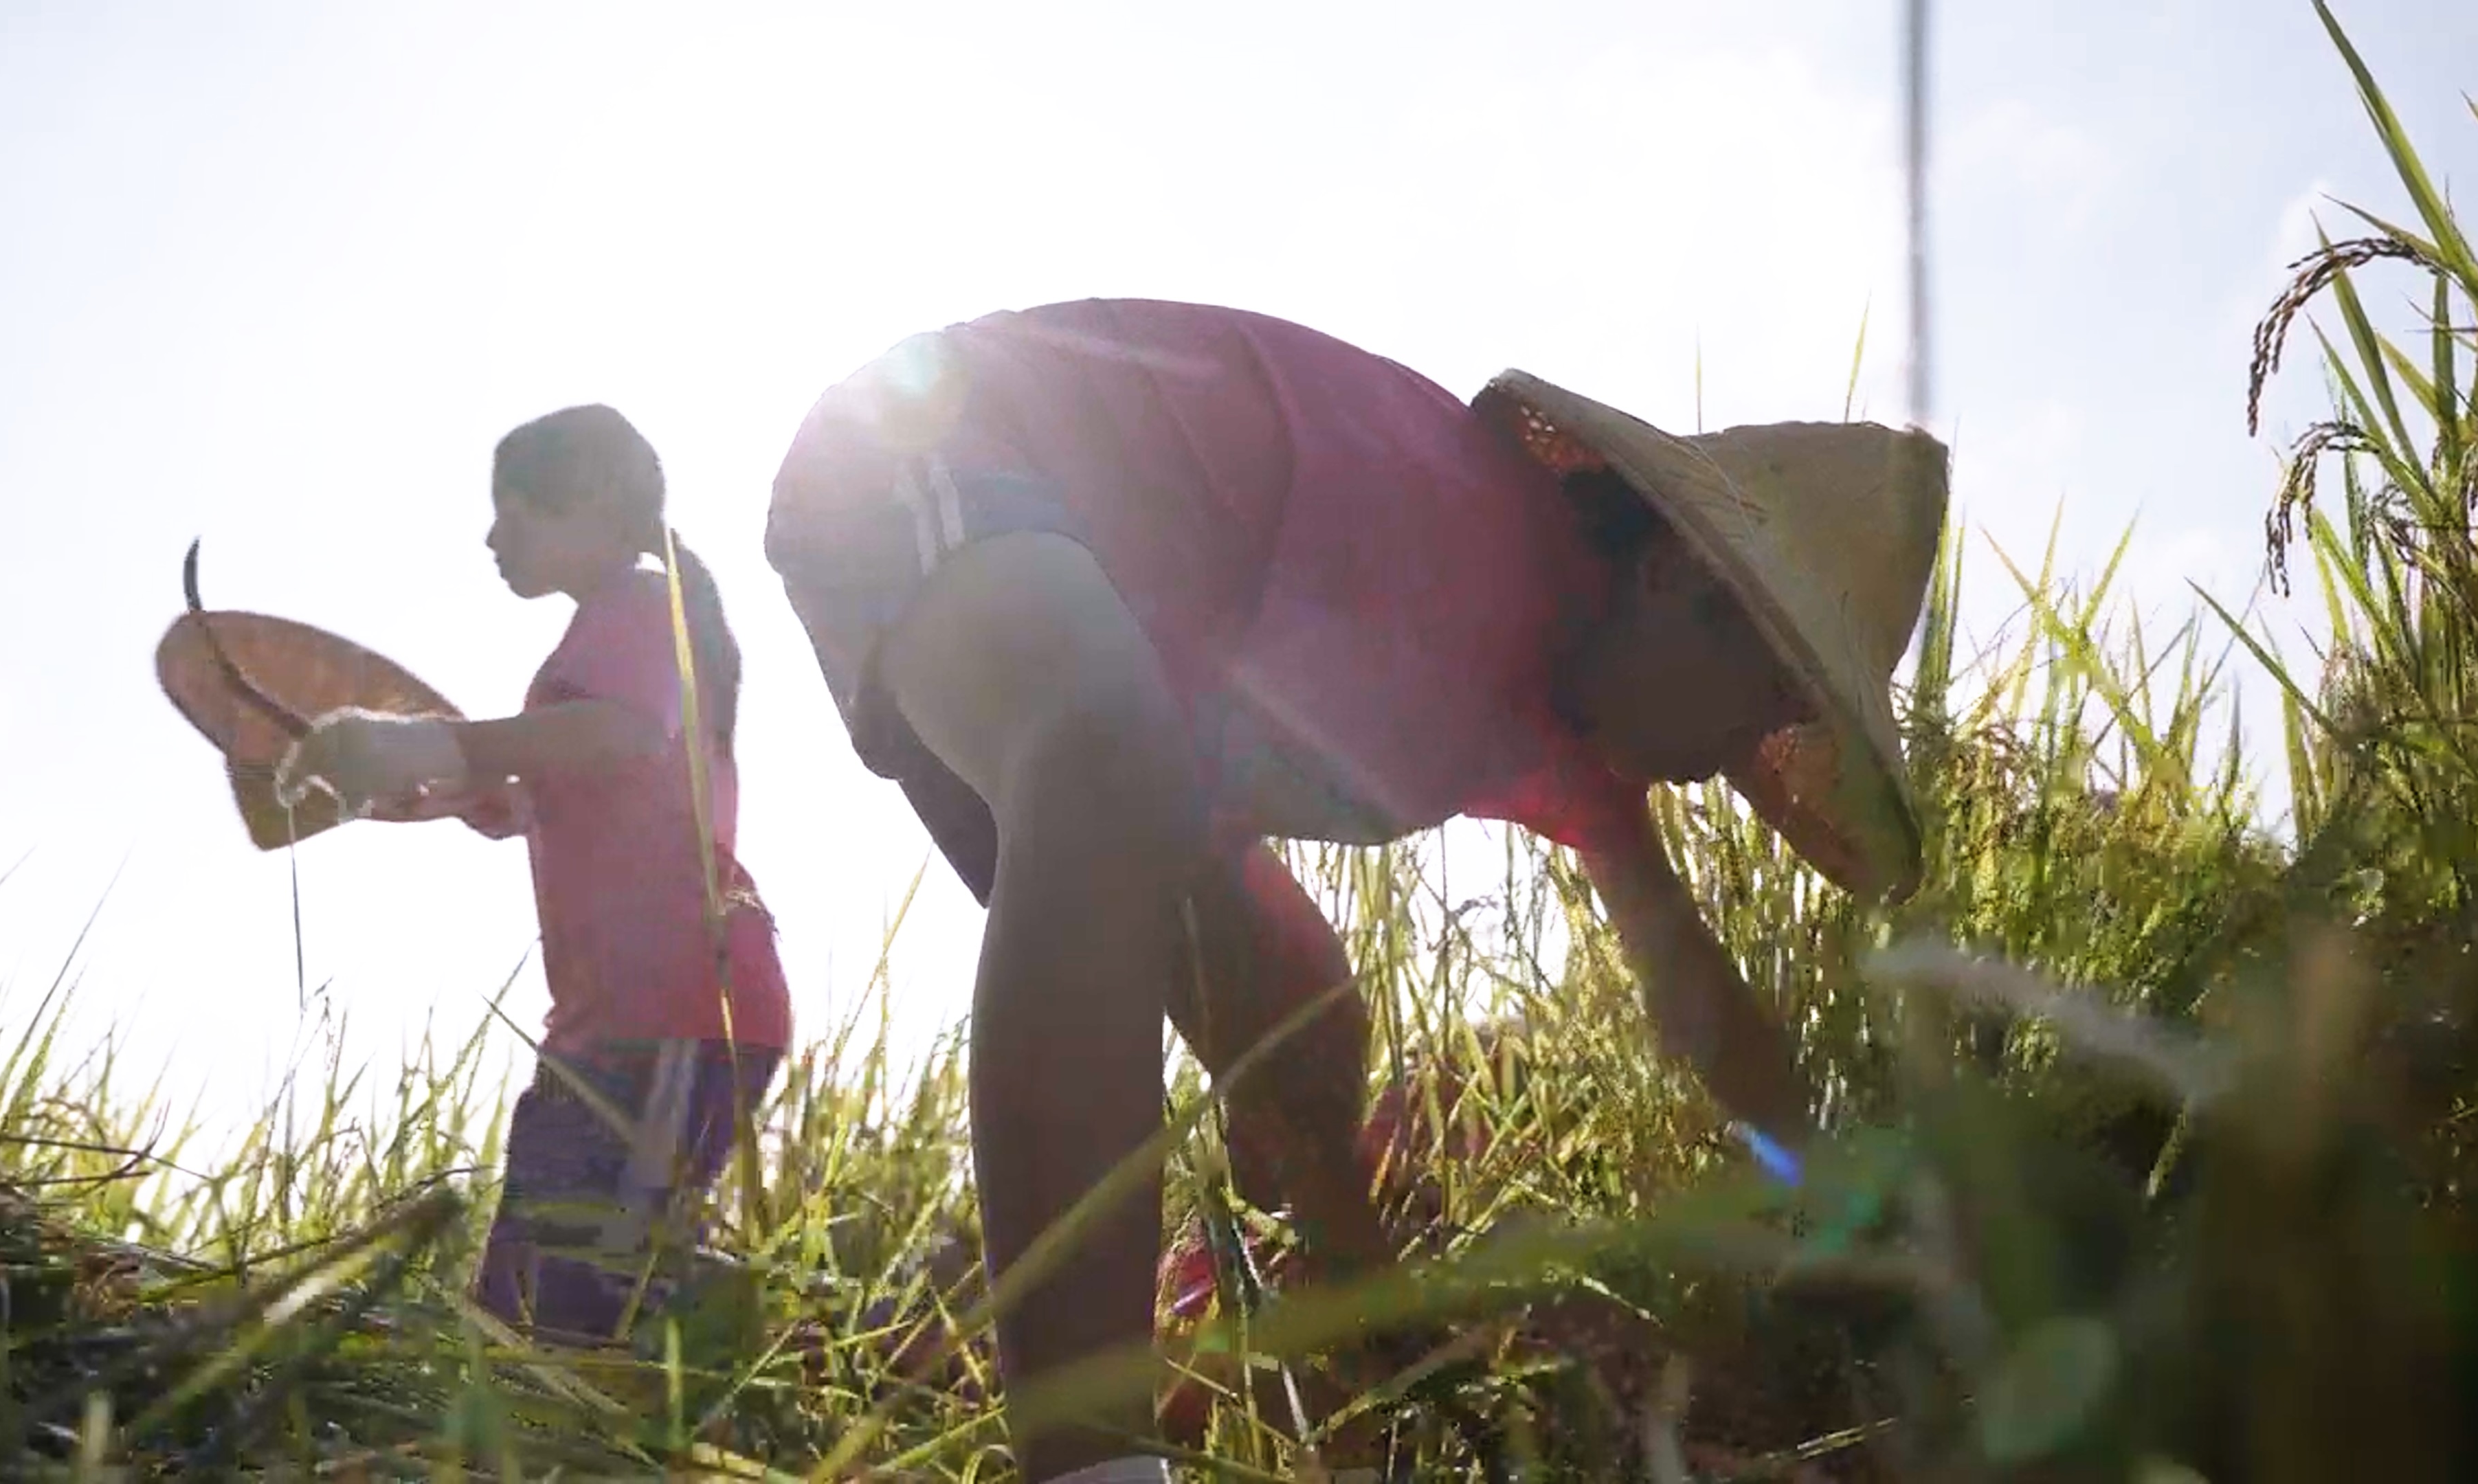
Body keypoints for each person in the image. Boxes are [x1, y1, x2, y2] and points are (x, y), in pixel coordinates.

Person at [762, 299, 1946, 1484]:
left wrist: (1845, 1210)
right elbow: (1141, 724)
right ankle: (1092, 1461)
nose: (1738, 759)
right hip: (936, 456)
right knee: (1111, 763)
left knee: (1303, 1019)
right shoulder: (1459, 526)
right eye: (1764, 703)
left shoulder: (1575, 752)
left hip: (1084, 658)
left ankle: (1335, 1376)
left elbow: (1700, 1004)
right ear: (1674, 576)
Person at [276, 404, 794, 1343]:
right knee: (517, 1309)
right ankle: (752, 1343)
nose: (491, 536)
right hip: (605, 1027)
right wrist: (464, 788)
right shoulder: (605, 630)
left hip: (676, 1008)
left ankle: (829, 1343)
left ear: (589, 497)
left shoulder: (639, 606)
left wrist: (435, 744)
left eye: (512, 511)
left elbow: (619, 734)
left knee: (590, 1303)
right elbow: (580, 780)